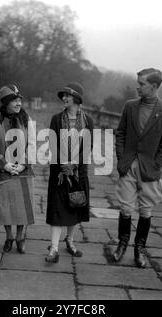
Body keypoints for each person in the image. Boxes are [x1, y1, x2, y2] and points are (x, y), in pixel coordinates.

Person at [113, 68, 162, 268]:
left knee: (146, 210)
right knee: (125, 208)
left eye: (141, 84)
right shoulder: (130, 107)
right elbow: (120, 133)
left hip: (149, 170)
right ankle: (121, 244)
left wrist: (156, 164)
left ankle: (139, 249)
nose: (137, 87)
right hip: (129, 166)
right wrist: (122, 158)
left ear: (154, 86)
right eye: (138, 82)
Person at [45, 83, 94, 263]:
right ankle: (54, 248)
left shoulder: (88, 121)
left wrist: (74, 164)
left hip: (78, 172)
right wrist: (64, 164)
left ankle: (70, 241)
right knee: (57, 209)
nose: (64, 98)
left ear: (77, 98)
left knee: (75, 206)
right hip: (59, 171)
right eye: (63, 96)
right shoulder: (56, 119)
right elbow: (52, 143)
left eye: (67, 96)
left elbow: (89, 146)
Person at [0, 84, 35, 254]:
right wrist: (4, 164)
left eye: (19, 99)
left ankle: (20, 236)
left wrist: (23, 164)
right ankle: (9, 236)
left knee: (22, 206)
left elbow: (32, 144)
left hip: (23, 171)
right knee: (4, 206)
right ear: (5, 103)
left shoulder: (27, 120)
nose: (18, 103)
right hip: (2, 171)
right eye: (14, 100)